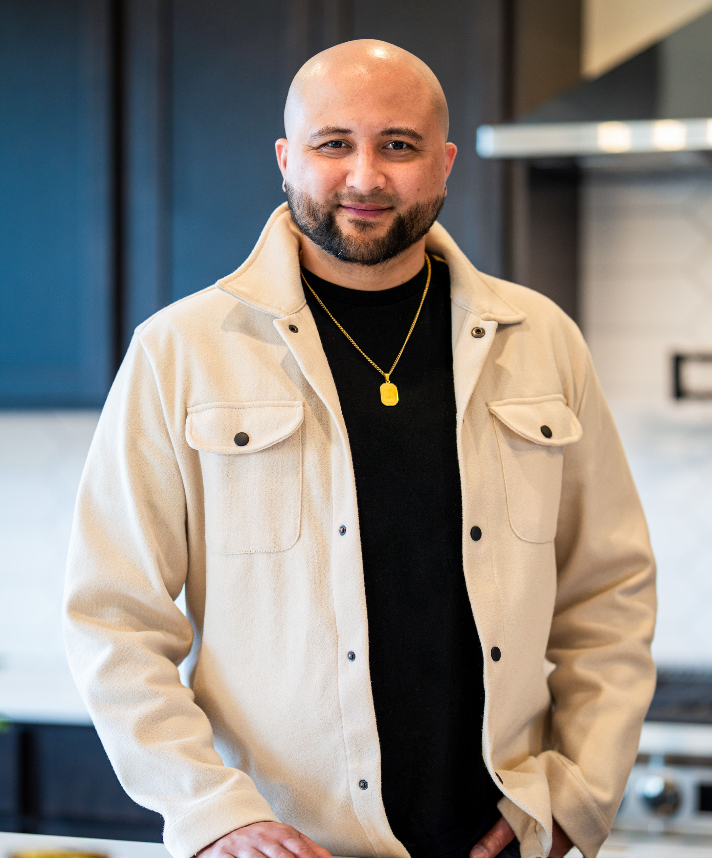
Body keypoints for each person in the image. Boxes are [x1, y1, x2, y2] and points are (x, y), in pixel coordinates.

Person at [63, 40, 656, 858]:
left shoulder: (541, 339)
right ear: (286, 159)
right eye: (333, 143)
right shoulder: (182, 351)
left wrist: (574, 801)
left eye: (399, 145)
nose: (366, 177)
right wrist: (213, 814)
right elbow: (110, 616)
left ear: (445, 164)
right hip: (283, 846)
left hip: (499, 838)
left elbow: (608, 597)